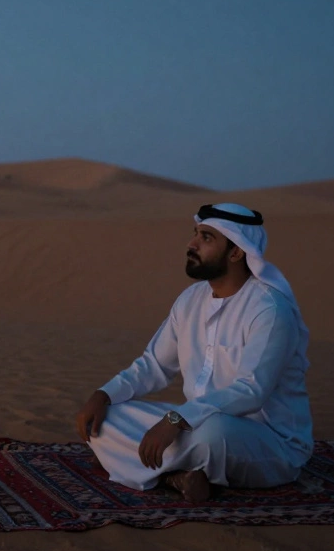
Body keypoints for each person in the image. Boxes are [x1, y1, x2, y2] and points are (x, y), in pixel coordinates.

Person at [75, 203, 313, 501]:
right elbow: (154, 365)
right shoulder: (190, 300)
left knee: (214, 434)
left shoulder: (269, 310)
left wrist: (176, 420)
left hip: (266, 440)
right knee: (107, 418)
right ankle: (177, 477)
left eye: (207, 238)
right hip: (192, 421)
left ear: (236, 252)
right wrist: (104, 394)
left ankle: (129, 462)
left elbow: (252, 390)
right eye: (196, 234)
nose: (192, 244)